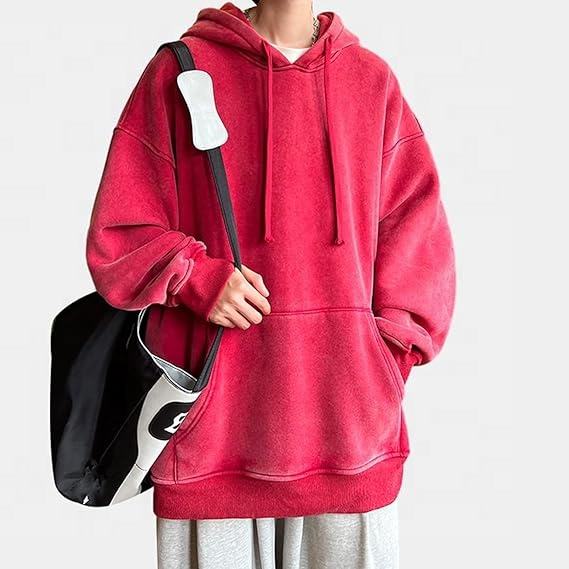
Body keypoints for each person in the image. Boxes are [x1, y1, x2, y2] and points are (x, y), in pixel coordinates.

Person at [85, 0, 456, 567]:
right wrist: (196, 277)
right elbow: (119, 235)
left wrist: (380, 362)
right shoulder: (183, 71)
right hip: (215, 434)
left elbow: (418, 234)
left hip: (348, 433)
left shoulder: (371, 81)